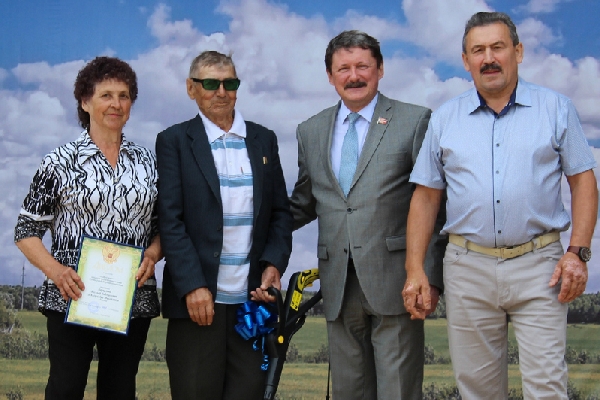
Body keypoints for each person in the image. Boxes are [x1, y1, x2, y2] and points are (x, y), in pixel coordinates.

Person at [403, 11, 598, 400]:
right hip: (467, 268)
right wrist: (414, 270)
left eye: (498, 47)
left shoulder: (556, 108)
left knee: (547, 387)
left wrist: (577, 252)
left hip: (540, 267)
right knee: (478, 391)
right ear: (466, 60)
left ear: (518, 52)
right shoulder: (445, 119)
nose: (488, 58)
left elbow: (583, 182)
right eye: (478, 50)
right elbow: (425, 197)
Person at [289, 30, 446, 399]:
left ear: (380, 69)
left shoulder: (415, 121)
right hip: (338, 286)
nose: (354, 76)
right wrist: (247, 223)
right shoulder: (310, 131)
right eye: (343, 68)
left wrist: (430, 275)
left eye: (363, 66)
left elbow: (435, 205)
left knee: (398, 392)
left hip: (399, 283)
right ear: (330, 75)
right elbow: (303, 203)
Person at [14, 56, 162, 399]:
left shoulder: (149, 163)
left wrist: (153, 254)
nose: (116, 104)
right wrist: (56, 272)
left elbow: (162, 227)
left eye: (124, 96)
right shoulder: (58, 162)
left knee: (119, 390)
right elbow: (26, 230)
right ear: (85, 101)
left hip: (131, 298)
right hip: (71, 296)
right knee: (65, 388)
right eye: (106, 95)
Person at [156, 50, 293, 399]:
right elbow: (170, 220)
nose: (221, 92)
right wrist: (192, 285)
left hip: (253, 304)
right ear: (191, 88)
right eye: (211, 84)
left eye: (230, 83)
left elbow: (280, 212)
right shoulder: (173, 141)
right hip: (197, 304)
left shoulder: (264, 139)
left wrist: (273, 265)